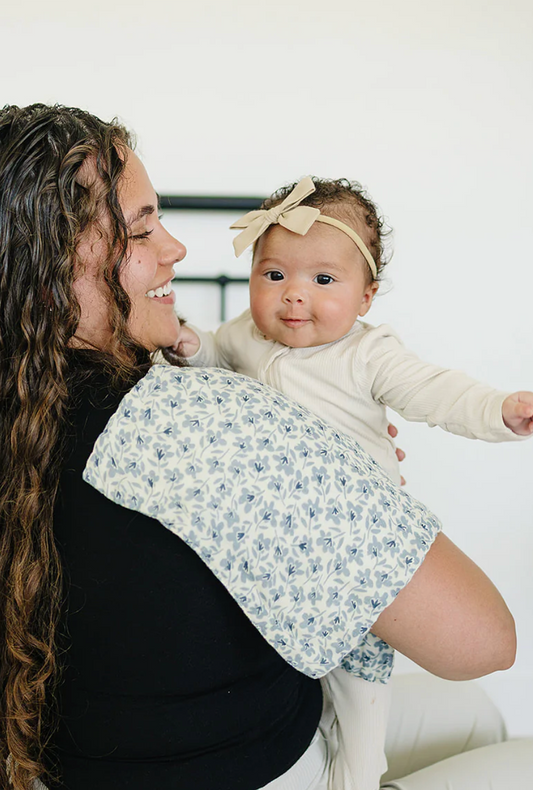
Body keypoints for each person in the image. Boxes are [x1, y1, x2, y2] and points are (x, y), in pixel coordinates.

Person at [0, 103, 518, 790]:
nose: (175, 249)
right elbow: (483, 638)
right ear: (50, 268)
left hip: (90, 760)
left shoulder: (34, 407)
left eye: (320, 280)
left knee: (472, 716)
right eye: (142, 228)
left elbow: (427, 390)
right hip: (257, 766)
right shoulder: (211, 420)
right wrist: (328, 466)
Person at [173, 174, 533, 789]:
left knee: (360, 693)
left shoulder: (369, 354)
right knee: (295, 670)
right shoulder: (245, 336)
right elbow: (209, 352)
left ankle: (359, 775)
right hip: (282, 551)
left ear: (366, 298)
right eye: (274, 274)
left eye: (323, 280)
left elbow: (433, 391)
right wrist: (185, 343)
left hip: (356, 556)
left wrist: (499, 409)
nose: (293, 297)